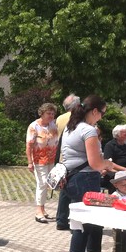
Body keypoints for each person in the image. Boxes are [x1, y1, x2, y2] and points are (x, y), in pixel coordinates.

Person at [62, 95, 117, 252]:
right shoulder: (88, 130)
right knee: (84, 224)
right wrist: (108, 164)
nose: (102, 117)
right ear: (94, 111)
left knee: (93, 224)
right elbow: (95, 163)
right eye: (102, 113)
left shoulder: (72, 127)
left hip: (75, 179)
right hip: (84, 179)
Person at [26, 103, 59, 223]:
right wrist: (30, 162)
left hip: (52, 159)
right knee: (42, 183)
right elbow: (29, 145)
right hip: (39, 159)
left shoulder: (53, 125)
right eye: (48, 113)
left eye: (52, 113)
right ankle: (38, 211)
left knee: (49, 183)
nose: (51, 116)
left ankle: (43, 210)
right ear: (42, 113)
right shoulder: (34, 126)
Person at [54, 94, 80, 231]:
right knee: (76, 190)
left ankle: (61, 219)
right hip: (76, 159)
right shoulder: (80, 119)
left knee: (64, 190)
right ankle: (75, 220)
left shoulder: (59, 118)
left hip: (62, 158)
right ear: (77, 106)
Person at [101, 124, 126, 193]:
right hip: (114, 172)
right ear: (117, 135)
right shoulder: (110, 145)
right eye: (124, 134)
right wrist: (124, 170)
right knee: (117, 178)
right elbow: (109, 162)